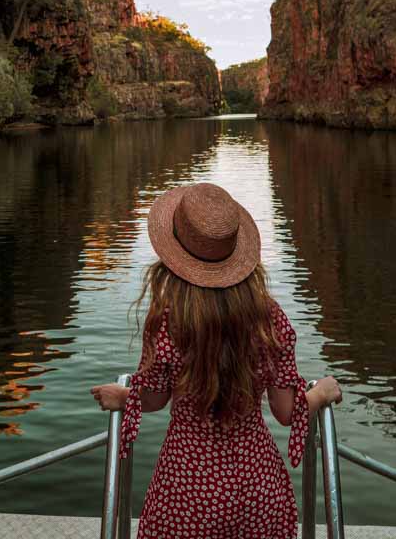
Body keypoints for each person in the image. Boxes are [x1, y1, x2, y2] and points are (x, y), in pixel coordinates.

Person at [91, 182, 343, 539]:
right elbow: (287, 412)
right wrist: (320, 394)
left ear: (174, 258)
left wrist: (125, 396)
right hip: (257, 487)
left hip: (186, 490)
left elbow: (157, 397)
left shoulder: (166, 322)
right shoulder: (269, 320)